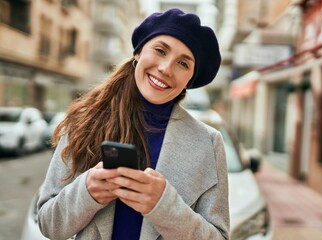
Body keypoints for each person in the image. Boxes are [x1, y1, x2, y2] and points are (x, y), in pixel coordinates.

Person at [37, 8, 229, 240]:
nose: (166, 68)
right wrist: (87, 191)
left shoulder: (208, 143)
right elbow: (48, 224)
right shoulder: (83, 120)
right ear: (138, 52)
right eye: (160, 51)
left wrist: (165, 207)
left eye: (183, 64)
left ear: (190, 79)